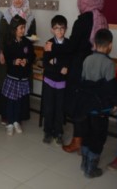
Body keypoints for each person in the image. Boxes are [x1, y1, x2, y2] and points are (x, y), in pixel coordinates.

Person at [44, 0, 108, 153]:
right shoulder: (101, 19)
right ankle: (86, 140)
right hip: (97, 67)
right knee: (89, 104)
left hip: (81, 67)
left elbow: (72, 46)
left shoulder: (83, 20)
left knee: (78, 104)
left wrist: (54, 49)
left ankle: (77, 140)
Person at [77, 29, 117, 178]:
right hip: (100, 110)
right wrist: (116, 103)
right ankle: (91, 169)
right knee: (98, 138)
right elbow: (111, 88)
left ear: (94, 44)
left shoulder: (87, 59)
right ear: (110, 45)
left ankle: (84, 163)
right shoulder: (109, 64)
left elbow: (82, 81)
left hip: (86, 107)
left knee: (87, 134)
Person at [2, 15, 35, 136]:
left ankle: (16, 121)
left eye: (24, 27)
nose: (23, 30)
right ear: (14, 29)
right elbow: (7, 57)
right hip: (12, 77)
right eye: (21, 28)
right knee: (11, 101)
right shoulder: (9, 43)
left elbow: (32, 56)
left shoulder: (27, 42)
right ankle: (9, 123)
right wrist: (14, 61)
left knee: (19, 101)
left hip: (23, 77)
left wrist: (26, 60)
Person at [42, 15, 70, 145]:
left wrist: (55, 61)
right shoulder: (49, 43)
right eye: (56, 28)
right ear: (52, 30)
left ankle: (58, 132)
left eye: (62, 28)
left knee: (60, 109)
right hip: (49, 81)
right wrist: (59, 66)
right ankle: (48, 131)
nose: (59, 31)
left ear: (66, 29)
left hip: (62, 84)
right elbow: (46, 64)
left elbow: (69, 62)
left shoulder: (69, 44)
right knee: (49, 108)